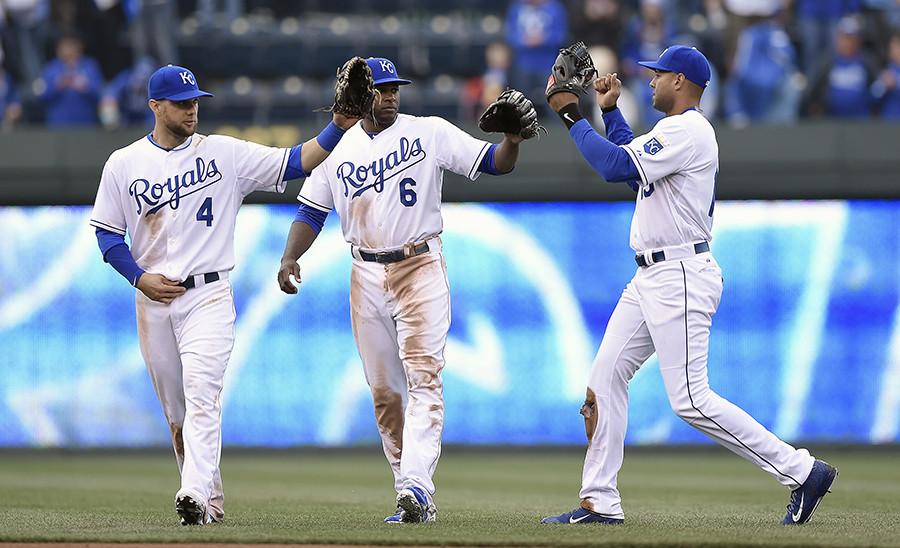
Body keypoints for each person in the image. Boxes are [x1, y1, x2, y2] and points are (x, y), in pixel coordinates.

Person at [541, 45, 838, 525]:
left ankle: (802, 471)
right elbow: (633, 170)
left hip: (678, 274)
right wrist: (611, 112)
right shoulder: (673, 131)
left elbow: (615, 167)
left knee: (691, 399)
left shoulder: (689, 130)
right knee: (605, 376)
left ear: (680, 81)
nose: (651, 81)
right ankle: (600, 502)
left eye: (658, 75)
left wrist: (572, 115)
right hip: (651, 276)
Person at [89, 63, 360, 525]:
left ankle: (191, 491)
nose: (192, 109)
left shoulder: (224, 154)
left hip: (209, 295)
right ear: (156, 106)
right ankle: (206, 503)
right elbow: (108, 235)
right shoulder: (124, 162)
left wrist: (336, 126)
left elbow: (294, 162)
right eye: (181, 102)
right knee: (177, 414)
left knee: (202, 394)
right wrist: (137, 277)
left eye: (196, 101)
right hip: (153, 299)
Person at [277, 57, 532, 524]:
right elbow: (311, 211)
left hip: (420, 265)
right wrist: (290, 256)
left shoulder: (429, 130)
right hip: (365, 272)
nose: (391, 95)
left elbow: (493, 164)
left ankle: (417, 486)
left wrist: (511, 139)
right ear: (361, 96)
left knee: (424, 378)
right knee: (384, 393)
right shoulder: (337, 147)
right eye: (381, 89)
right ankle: (408, 489)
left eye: (395, 87)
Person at [39, 34, 103, 127]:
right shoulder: (50, 68)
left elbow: (99, 93)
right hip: (57, 125)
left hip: (86, 124)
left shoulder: (90, 66)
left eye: (71, 46)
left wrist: (84, 86)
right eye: (64, 47)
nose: (67, 51)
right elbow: (42, 96)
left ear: (79, 48)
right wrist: (59, 85)